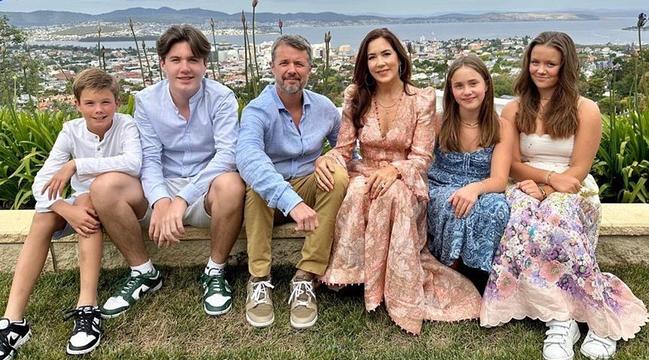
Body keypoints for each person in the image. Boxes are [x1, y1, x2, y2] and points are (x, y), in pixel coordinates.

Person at [480, 31, 648, 360]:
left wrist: (550, 187)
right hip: (527, 182)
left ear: (565, 66)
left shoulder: (586, 110)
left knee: (557, 219)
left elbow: (580, 168)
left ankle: (598, 315)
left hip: (573, 186)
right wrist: (542, 181)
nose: (540, 70)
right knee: (522, 219)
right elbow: (511, 162)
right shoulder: (514, 109)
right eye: (535, 62)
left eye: (550, 64)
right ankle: (561, 317)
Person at [317, 28, 481, 335]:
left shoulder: (421, 99)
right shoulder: (356, 96)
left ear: (399, 58)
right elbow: (342, 149)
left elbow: (422, 157)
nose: (380, 63)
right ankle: (356, 276)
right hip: (363, 171)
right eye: (372, 57)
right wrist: (327, 159)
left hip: (406, 177)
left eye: (386, 54)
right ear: (365, 64)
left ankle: (388, 284)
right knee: (356, 191)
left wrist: (395, 170)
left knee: (392, 195)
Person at [90, 25, 244, 319]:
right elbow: (148, 158)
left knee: (232, 183)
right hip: (158, 187)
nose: (185, 68)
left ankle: (214, 270)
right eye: (176, 60)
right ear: (162, 64)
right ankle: (143, 271)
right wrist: (161, 200)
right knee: (104, 187)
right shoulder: (147, 100)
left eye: (193, 60)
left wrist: (182, 199)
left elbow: (227, 155)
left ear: (204, 64)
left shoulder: (222, 97)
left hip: (204, 192)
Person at [0, 68, 141, 360]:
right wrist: (62, 207)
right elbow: (41, 183)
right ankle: (13, 320)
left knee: (87, 202)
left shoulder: (127, 126)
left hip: (115, 199)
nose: (99, 110)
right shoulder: (71, 131)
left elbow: (133, 163)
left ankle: (86, 307)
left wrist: (77, 164)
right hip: (78, 204)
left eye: (105, 102)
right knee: (43, 218)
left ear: (117, 101)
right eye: (90, 103)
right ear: (77, 104)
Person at [237, 34, 347, 329]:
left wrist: (331, 155)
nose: (292, 69)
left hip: (308, 187)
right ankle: (259, 278)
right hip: (272, 199)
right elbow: (248, 157)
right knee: (258, 184)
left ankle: (306, 275)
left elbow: (348, 148)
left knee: (336, 174)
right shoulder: (258, 110)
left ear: (310, 69)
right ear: (272, 68)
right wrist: (291, 202)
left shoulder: (324, 108)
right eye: (284, 62)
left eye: (299, 63)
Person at [426, 54, 513, 286]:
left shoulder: (501, 127)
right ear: (451, 91)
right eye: (459, 86)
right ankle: (453, 267)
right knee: (454, 203)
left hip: (483, 187)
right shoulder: (439, 122)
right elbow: (421, 162)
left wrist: (475, 188)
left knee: (496, 207)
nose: (467, 91)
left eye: (473, 83)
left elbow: (500, 179)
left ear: (486, 84)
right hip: (441, 185)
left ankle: (481, 272)